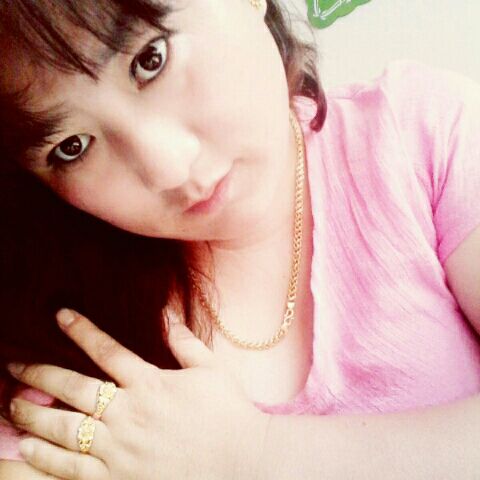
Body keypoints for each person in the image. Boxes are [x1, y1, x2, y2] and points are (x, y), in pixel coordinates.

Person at [0, 0, 480, 478]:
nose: (169, 168)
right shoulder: (59, 335)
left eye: (151, 60)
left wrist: (254, 454)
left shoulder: (421, 133)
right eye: (72, 147)